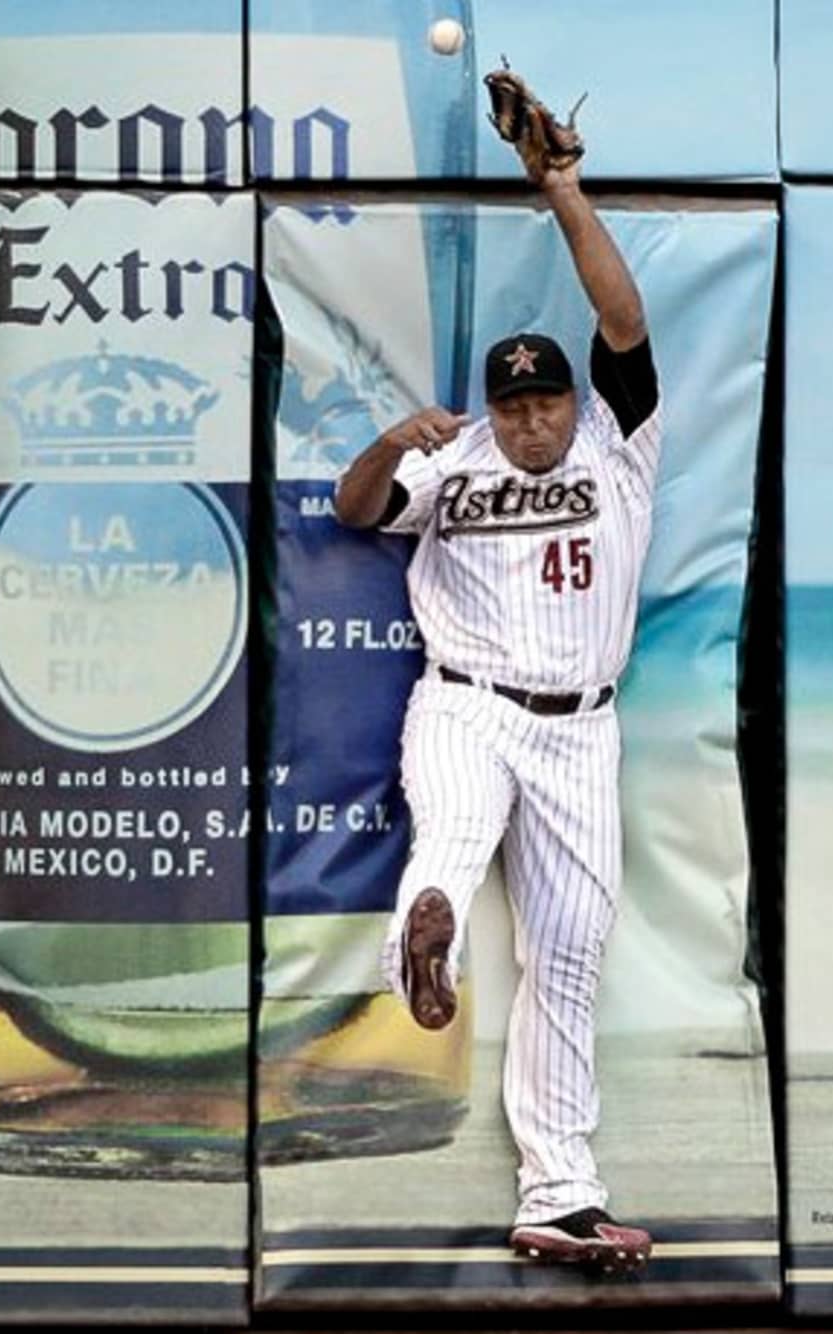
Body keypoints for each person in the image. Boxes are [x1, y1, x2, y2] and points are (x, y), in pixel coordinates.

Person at [333, 148, 661, 1273]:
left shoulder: (621, 441)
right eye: (513, 402)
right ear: (492, 405)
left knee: (569, 952)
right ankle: (427, 947)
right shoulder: (456, 458)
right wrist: (389, 440)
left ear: (575, 398)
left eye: (545, 399)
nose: (530, 421)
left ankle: (557, 1194)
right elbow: (353, 510)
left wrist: (562, 190)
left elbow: (620, 314)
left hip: (581, 724)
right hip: (466, 703)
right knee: (456, 834)